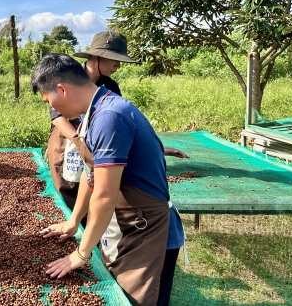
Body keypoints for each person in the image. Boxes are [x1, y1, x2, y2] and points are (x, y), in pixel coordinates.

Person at [32, 53, 184, 306]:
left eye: (49, 100)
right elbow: (91, 173)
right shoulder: (96, 111)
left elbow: (104, 194)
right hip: (130, 224)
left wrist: (81, 254)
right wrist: (72, 222)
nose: (52, 109)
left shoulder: (109, 117)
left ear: (62, 89)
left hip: (148, 231)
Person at [47, 30, 187, 210]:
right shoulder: (68, 78)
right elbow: (57, 117)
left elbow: (116, 123)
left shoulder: (110, 86)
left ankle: (91, 231)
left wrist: (157, 148)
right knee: (67, 189)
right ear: (97, 57)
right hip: (67, 143)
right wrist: (80, 142)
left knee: (95, 190)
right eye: (115, 59)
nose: (118, 65)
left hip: (96, 145)